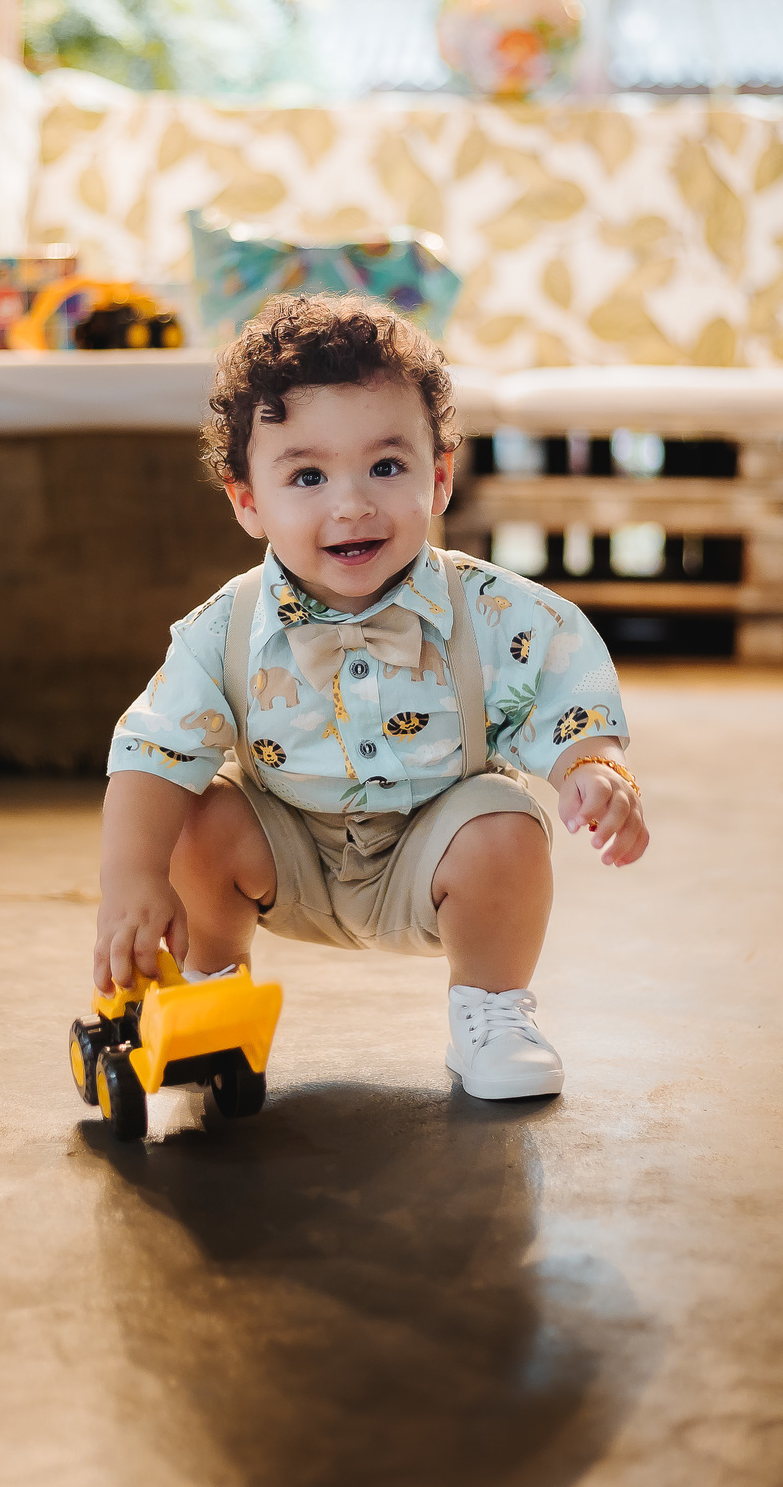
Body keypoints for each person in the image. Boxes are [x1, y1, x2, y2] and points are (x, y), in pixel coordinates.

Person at [96, 294, 648, 1100]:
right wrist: (132, 877)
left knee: (504, 820)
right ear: (247, 501)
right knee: (198, 815)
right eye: (308, 476)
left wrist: (594, 767)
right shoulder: (224, 629)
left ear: (440, 476)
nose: (352, 504)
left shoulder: (495, 611)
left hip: (434, 851)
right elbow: (152, 749)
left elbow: (567, 692)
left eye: (386, 468)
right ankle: (213, 998)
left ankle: (492, 1011)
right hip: (287, 855)